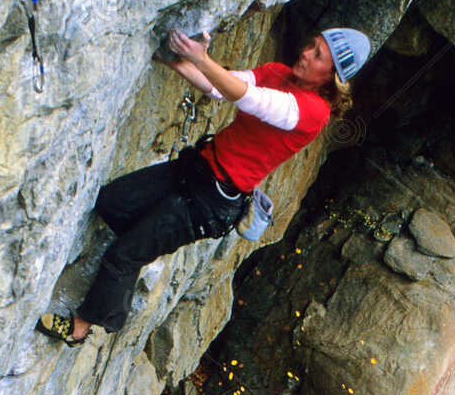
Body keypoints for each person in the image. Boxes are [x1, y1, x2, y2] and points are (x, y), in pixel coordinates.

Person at [36, 24, 371, 345]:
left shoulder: (313, 111)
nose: (306, 54)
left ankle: (80, 328)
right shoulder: (277, 73)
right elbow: (219, 86)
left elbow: (251, 100)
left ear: (330, 78)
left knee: (123, 254)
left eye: (318, 56)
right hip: (196, 169)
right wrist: (174, 60)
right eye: (312, 45)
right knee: (112, 201)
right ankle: (136, 259)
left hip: (212, 201)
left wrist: (202, 58)